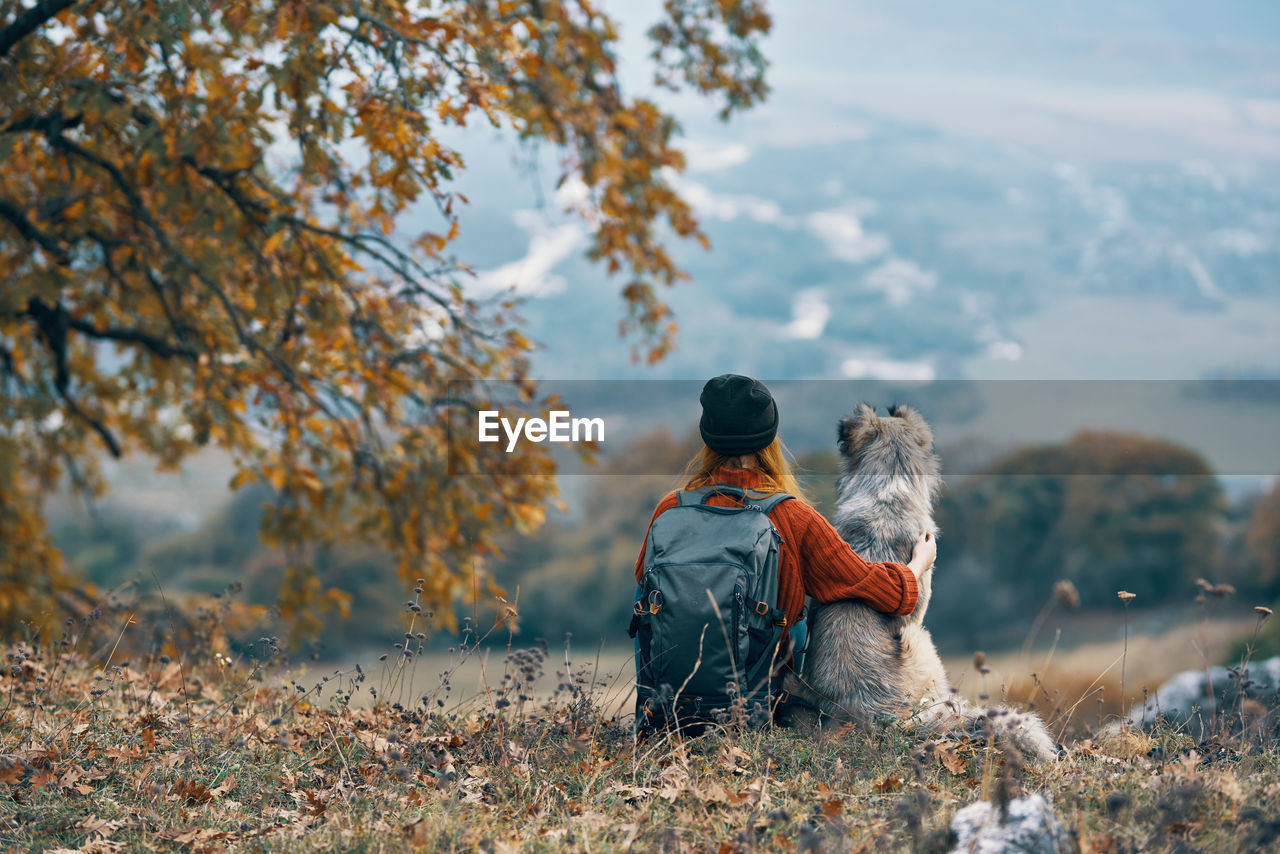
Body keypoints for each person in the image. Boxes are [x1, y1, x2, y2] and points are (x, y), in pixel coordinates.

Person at [633, 374, 937, 692]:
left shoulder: (669, 508)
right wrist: (918, 564)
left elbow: (643, 580)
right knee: (799, 609)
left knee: (647, 594)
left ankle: (655, 692)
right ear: (770, 437)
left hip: (668, 701)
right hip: (753, 698)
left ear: (707, 435)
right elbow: (874, 587)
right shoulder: (793, 516)